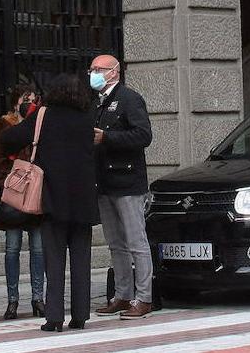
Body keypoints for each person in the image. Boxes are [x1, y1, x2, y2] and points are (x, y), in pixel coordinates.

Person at [1, 74, 98, 332]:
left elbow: (8, 140)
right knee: (81, 259)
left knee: (53, 259)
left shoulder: (44, 116)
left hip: (53, 197)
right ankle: (80, 316)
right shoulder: (86, 118)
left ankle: (54, 317)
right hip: (83, 198)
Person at [90, 54, 154, 320]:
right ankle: (122, 295)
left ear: (114, 72)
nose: (92, 73)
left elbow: (143, 135)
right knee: (116, 244)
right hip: (105, 182)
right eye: (91, 68)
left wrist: (107, 137)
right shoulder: (98, 103)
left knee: (136, 242)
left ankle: (144, 297)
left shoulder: (129, 99)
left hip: (128, 182)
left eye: (98, 69)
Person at [0, 84, 45, 320]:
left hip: (37, 193)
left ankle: (38, 298)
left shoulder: (40, 124)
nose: (30, 102)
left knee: (38, 249)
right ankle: (13, 301)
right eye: (25, 99)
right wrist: (9, 181)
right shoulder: (2, 125)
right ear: (15, 102)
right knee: (12, 248)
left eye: (34, 99)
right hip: (13, 193)